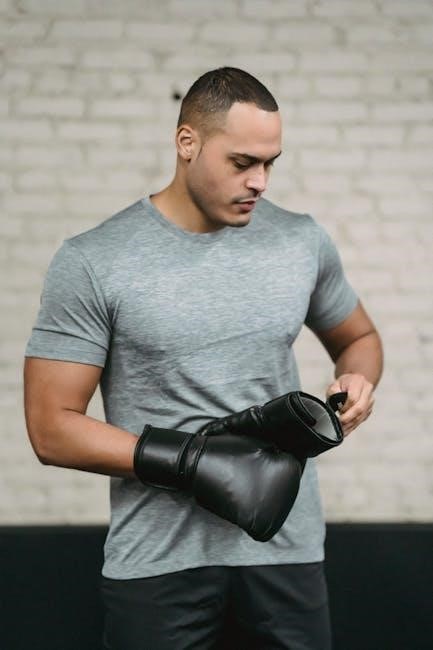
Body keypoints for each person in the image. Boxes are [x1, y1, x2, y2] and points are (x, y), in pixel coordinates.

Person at [24, 67, 383, 649]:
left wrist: (357, 381)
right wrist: (193, 462)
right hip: (159, 562)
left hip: (286, 554)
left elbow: (359, 337)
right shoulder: (94, 260)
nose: (259, 181)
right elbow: (50, 428)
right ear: (186, 142)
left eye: (270, 163)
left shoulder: (299, 241)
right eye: (242, 162)